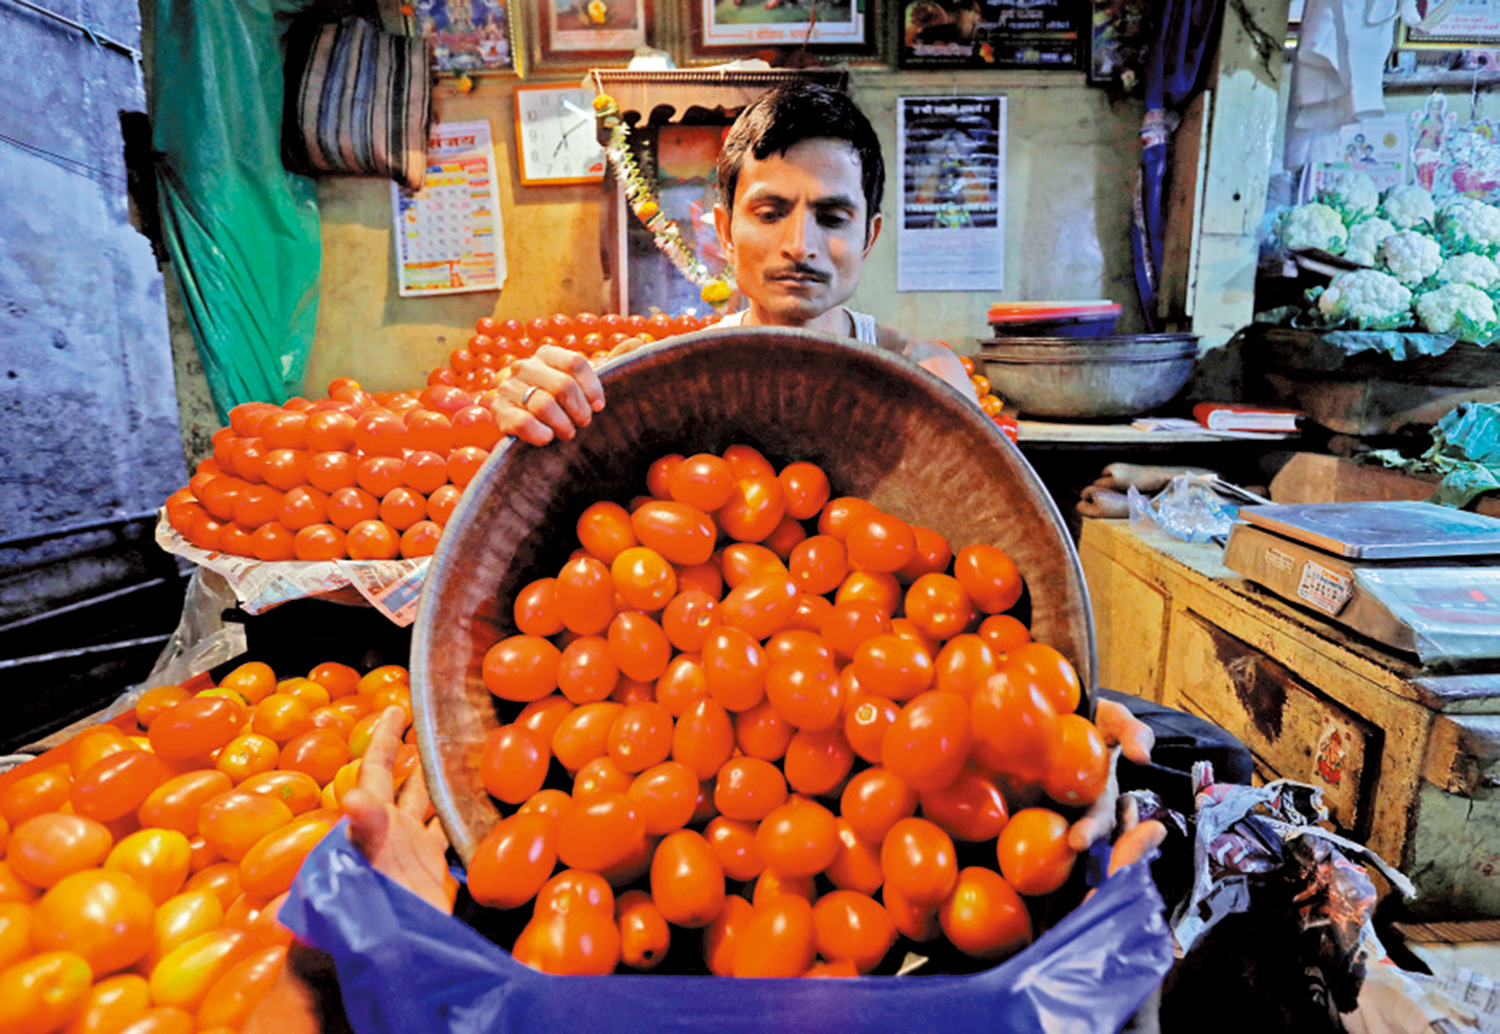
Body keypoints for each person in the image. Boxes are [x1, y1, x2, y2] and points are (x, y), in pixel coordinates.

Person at [249, 83, 1165, 1029]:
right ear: (721, 226)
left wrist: (1055, 723)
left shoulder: (928, 380)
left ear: (873, 233)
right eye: (771, 210)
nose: (801, 242)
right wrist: (530, 405)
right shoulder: (651, 385)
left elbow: (1001, 627)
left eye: (833, 215)